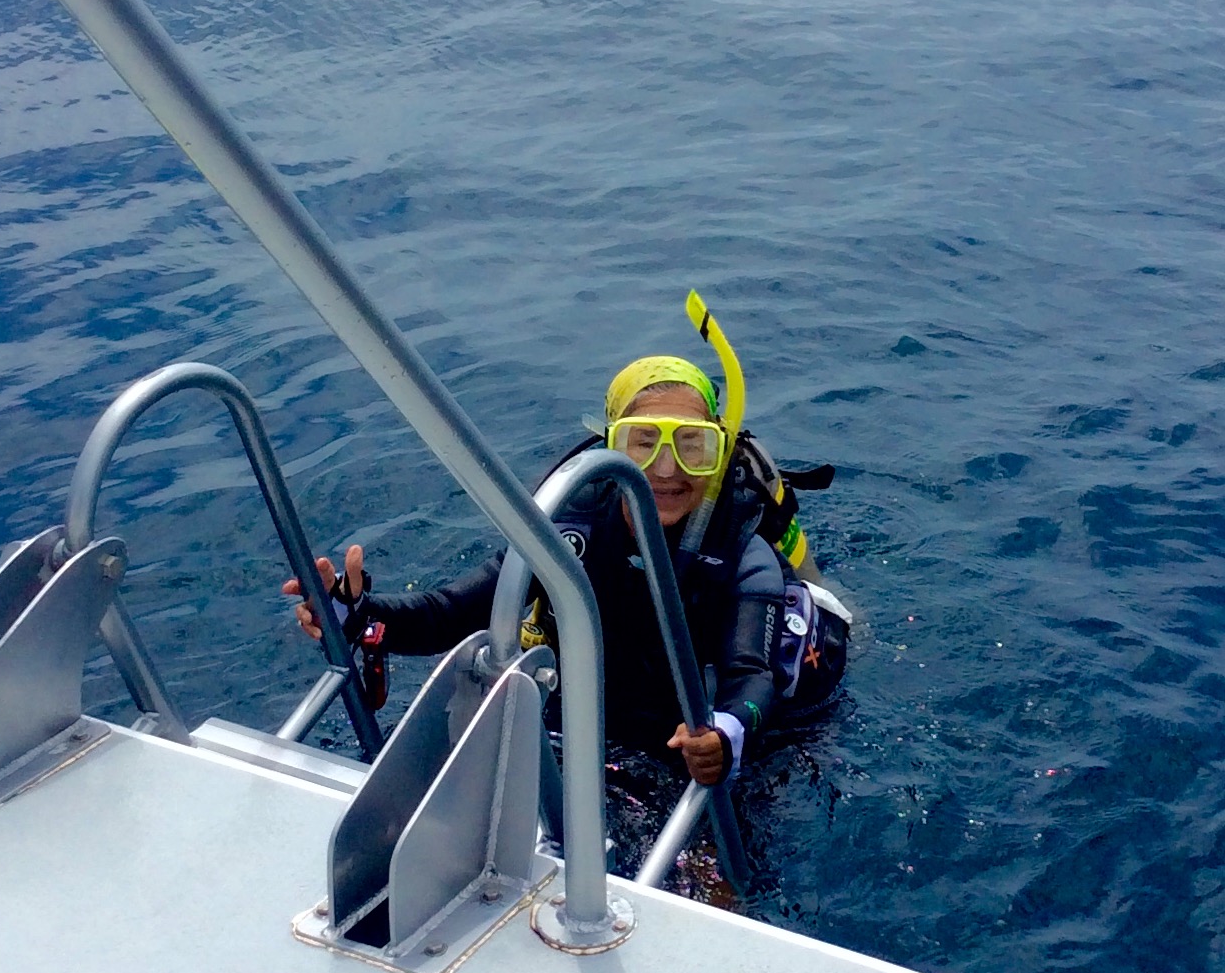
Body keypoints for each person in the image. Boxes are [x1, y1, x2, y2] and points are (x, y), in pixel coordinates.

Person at [286, 302, 851, 790]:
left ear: (720, 454)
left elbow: (753, 674)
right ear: (608, 450)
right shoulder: (571, 534)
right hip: (599, 724)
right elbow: (452, 613)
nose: (666, 469)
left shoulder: (740, 553)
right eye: (642, 443)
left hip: (697, 735)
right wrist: (358, 615)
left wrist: (727, 733)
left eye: (693, 448)